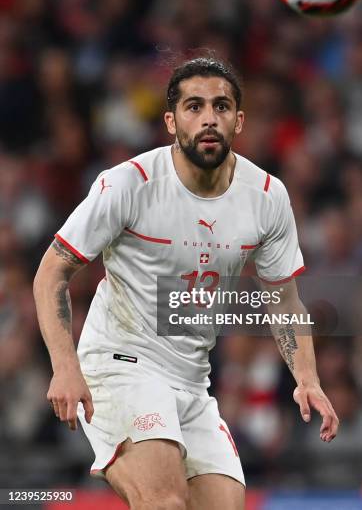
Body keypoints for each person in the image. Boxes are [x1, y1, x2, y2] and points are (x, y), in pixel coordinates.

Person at [33, 57, 339, 510]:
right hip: (119, 364)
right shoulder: (128, 185)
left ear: (239, 120)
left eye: (221, 105)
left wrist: (307, 378)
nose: (209, 117)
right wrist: (64, 365)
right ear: (171, 121)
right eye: (194, 106)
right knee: (165, 503)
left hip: (193, 380)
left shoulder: (268, 198)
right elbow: (50, 273)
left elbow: (283, 298)